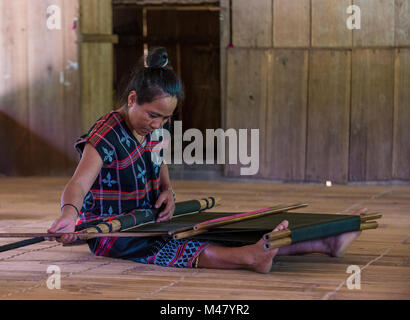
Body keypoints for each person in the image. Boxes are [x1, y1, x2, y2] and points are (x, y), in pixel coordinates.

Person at [48, 47, 365, 273]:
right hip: (115, 231)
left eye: (165, 117)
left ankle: (326, 244)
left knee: (209, 229)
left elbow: (159, 164)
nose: (158, 123)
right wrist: (68, 215)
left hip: (149, 216)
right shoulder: (106, 133)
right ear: (132, 100)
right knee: (168, 246)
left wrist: (167, 193)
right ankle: (249, 259)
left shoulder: (158, 127)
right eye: (152, 115)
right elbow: (78, 183)